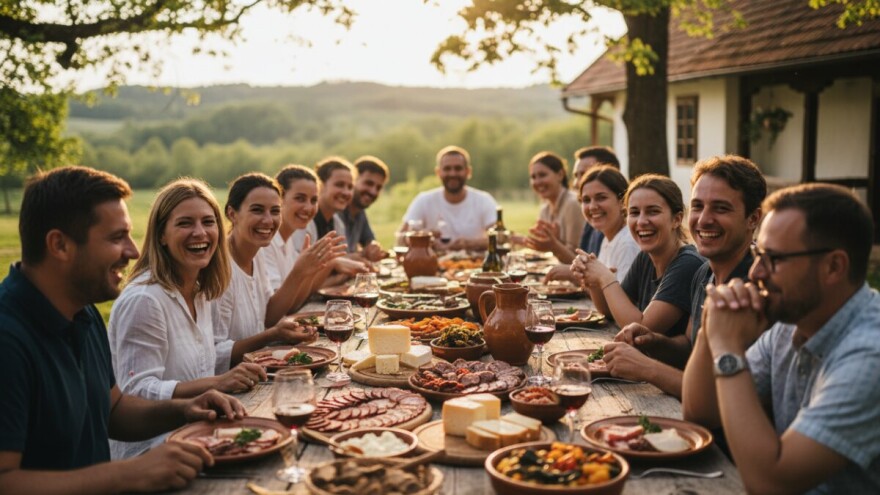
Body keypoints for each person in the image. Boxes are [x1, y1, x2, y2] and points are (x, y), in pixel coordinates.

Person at [0, 166, 244, 494]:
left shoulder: (81, 311)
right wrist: (128, 474)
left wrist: (186, 408)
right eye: (117, 238)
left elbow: (114, 410)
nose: (132, 251)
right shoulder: (9, 339)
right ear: (59, 245)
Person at [683, 183, 880, 493]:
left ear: (833, 267)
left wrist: (727, 348)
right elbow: (700, 413)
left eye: (773, 259)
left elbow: (770, 483)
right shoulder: (791, 322)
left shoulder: (870, 355)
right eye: (757, 254)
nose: (757, 273)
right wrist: (711, 328)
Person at [108, 178, 265, 460]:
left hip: (200, 435)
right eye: (184, 223)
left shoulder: (201, 290)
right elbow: (135, 392)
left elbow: (201, 364)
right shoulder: (145, 300)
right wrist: (215, 383)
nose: (200, 232)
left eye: (208, 222)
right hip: (151, 453)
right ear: (161, 235)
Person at [606, 155, 765, 397]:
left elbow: (720, 396)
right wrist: (653, 341)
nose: (703, 220)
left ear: (753, 218)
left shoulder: (758, 285)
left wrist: (648, 368)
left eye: (721, 208)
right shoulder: (704, 272)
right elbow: (689, 346)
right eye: (698, 206)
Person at [213, 173, 341, 370]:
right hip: (232, 380)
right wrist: (273, 334)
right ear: (232, 213)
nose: (268, 220)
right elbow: (215, 354)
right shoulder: (219, 269)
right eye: (257, 210)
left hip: (261, 368)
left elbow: (269, 317)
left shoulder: (257, 254)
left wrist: (305, 273)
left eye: (275, 211)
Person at [572, 174, 704, 337]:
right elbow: (610, 311)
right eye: (634, 212)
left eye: (653, 211)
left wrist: (606, 278)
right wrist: (592, 280)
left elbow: (642, 328)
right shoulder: (646, 256)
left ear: (676, 219)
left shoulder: (687, 264)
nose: (641, 221)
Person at [258, 165, 346, 295]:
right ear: (279, 199)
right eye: (300, 198)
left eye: (314, 200)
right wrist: (301, 272)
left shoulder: (288, 241)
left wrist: (322, 265)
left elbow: (297, 300)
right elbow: (275, 308)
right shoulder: (265, 244)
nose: (308, 208)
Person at [544, 165, 638, 286]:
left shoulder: (627, 244)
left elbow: (619, 302)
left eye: (601, 198)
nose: (592, 207)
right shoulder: (608, 239)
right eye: (586, 200)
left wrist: (577, 275)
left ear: (622, 202)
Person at [399, 145, 498, 250]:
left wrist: (468, 244)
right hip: (431, 264)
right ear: (438, 172)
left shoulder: (484, 200)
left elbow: (499, 239)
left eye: (458, 168)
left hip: (475, 264)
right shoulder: (423, 200)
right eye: (447, 169)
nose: (452, 173)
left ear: (468, 172)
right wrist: (423, 237)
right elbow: (400, 239)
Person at [517, 151, 586, 259]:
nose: (537, 182)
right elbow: (544, 246)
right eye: (533, 177)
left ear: (560, 175)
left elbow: (576, 259)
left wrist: (553, 245)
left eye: (542, 175)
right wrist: (519, 240)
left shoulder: (572, 204)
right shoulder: (545, 207)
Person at [573, 146, 621, 260]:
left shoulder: (623, 237)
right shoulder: (594, 217)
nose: (576, 183)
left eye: (585, 174)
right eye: (576, 175)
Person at [341, 156, 389, 262]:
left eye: (378, 188)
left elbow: (370, 241)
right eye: (368, 183)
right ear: (353, 180)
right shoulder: (335, 211)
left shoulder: (360, 213)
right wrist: (363, 254)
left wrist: (373, 247)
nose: (373, 192)